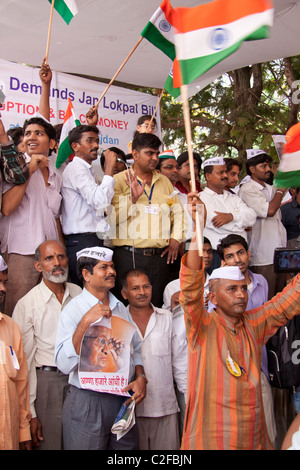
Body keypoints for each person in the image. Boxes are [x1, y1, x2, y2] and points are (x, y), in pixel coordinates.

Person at [179, 191, 300, 450]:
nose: (241, 295)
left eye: (243, 289)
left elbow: (286, 302)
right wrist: (198, 229)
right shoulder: (202, 326)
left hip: (252, 435)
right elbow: (190, 286)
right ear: (212, 296)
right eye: (232, 290)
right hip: (213, 437)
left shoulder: (253, 323)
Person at [55, 246, 147, 450]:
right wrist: (85, 322)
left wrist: (140, 377)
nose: (112, 272)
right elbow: (63, 364)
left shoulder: (121, 308)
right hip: (88, 400)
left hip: (122, 400)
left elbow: (136, 348)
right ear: (86, 275)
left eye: (112, 267)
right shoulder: (73, 310)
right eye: (103, 267)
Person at [12, 240, 82, 450]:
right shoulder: (27, 304)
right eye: (49, 258)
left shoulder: (78, 293)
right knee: (50, 444)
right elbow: (24, 363)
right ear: (38, 266)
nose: (57, 263)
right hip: (47, 382)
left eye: (61, 256)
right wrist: (30, 414)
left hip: (80, 380)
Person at [110, 132, 185, 307]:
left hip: (160, 258)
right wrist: (132, 200)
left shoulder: (164, 182)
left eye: (156, 154)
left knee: (158, 305)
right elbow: (110, 219)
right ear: (135, 154)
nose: (154, 158)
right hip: (128, 256)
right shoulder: (118, 181)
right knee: (126, 308)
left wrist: (176, 238)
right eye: (149, 153)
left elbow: (179, 213)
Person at [216, 233, 277, 446]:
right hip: (231, 373)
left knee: (267, 429)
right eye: (230, 256)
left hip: (258, 367)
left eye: (240, 253)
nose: (237, 260)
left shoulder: (261, 282)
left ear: (249, 254)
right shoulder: (216, 290)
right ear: (224, 261)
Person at [0, 116, 62, 316]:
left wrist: (61, 252)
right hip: (21, 252)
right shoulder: (14, 166)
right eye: (28, 133)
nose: (31, 137)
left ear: (52, 143)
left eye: (39, 133)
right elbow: (7, 207)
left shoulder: (56, 175)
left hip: (51, 255)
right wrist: (30, 169)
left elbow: (55, 217)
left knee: (47, 313)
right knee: (17, 313)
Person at [121, 269, 182, 450]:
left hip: (165, 406)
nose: (142, 292)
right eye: (135, 288)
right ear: (124, 294)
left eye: (146, 286)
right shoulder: (117, 321)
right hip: (131, 409)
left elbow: (178, 362)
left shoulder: (168, 318)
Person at [162, 237, 213, 436]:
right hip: (185, 362)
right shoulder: (172, 288)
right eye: (201, 251)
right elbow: (172, 332)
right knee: (190, 425)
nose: (205, 255)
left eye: (209, 251)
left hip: (212, 359)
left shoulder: (218, 282)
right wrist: (173, 306)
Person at [61, 125, 118, 286]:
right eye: (90, 141)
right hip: (83, 241)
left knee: (98, 292)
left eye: (97, 141)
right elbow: (99, 201)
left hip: (90, 239)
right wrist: (108, 171)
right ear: (75, 146)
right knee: (88, 294)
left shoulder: (86, 169)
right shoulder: (76, 168)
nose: (96, 145)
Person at [239, 149, 287, 298]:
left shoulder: (269, 188)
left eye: (268, 166)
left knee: (281, 299)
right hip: (264, 257)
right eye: (263, 166)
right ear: (252, 169)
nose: (268, 170)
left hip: (281, 253)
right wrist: (280, 192)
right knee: (267, 301)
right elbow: (270, 211)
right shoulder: (248, 189)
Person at [200, 156, 257, 272]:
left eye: (226, 172)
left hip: (241, 255)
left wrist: (231, 217)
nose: (225, 176)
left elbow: (252, 217)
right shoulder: (201, 199)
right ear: (208, 176)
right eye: (220, 172)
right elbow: (218, 225)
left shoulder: (234, 198)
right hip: (218, 256)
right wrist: (241, 224)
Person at [0, 294, 31, 449]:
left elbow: (21, 382)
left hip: (9, 438)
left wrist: (24, 431)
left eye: (5, 282)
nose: (3, 289)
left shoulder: (10, 326)